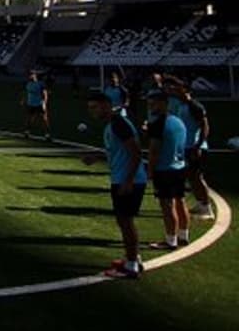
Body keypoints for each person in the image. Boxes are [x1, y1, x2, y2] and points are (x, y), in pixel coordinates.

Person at [82, 91, 147, 279]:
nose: (92, 111)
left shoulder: (119, 124)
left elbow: (136, 153)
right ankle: (132, 258)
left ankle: (131, 266)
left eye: (94, 107)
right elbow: (118, 151)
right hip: (121, 178)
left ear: (106, 105)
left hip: (127, 180)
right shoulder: (113, 125)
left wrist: (128, 181)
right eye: (89, 108)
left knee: (125, 221)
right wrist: (97, 157)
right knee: (123, 221)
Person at [144, 89, 190, 250]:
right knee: (180, 200)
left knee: (167, 205)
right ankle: (184, 235)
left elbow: (154, 150)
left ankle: (171, 240)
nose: (151, 107)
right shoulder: (178, 121)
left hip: (164, 170)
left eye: (153, 104)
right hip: (179, 166)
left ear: (164, 103)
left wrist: (150, 171)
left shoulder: (158, 124)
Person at [164, 76, 213, 220]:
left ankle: (207, 208)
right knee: (191, 178)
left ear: (184, 89)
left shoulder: (194, 106)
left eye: (174, 88)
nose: (171, 91)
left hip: (194, 147)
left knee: (197, 177)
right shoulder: (181, 105)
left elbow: (205, 126)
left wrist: (197, 146)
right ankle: (201, 204)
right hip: (185, 147)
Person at [20, 70, 51, 141]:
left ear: (35, 75)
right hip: (30, 104)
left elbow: (45, 94)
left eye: (31, 74)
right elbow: (26, 92)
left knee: (44, 119)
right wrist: (23, 100)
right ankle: (27, 132)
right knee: (29, 119)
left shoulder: (41, 83)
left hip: (39, 104)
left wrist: (44, 103)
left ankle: (47, 135)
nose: (30, 76)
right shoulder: (28, 84)